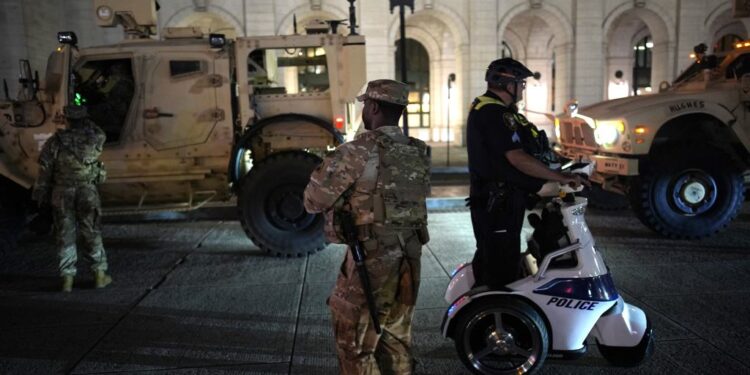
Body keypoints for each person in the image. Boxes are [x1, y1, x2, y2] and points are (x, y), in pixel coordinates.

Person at [303, 79, 430, 374]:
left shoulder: (356, 151)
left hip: (371, 260)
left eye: (365, 105)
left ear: (373, 107)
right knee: (396, 339)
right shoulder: (418, 151)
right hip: (410, 257)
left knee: (355, 344)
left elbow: (313, 200)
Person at [466, 58, 587, 290]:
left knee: (494, 257)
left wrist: (557, 168)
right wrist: (560, 178)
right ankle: (493, 317)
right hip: (497, 204)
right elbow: (517, 157)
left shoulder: (494, 109)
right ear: (507, 84)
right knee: (500, 267)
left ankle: (488, 309)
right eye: (521, 83)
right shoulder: (494, 112)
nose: (523, 87)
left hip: (499, 200)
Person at [32, 105, 112, 292]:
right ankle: (99, 275)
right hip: (87, 191)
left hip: (62, 192)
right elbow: (101, 132)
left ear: (66, 119)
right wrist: (86, 119)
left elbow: (45, 169)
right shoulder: (94, 138)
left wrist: (40, 193)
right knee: (91, 231)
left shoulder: (55, 141)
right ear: (84, 119)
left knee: (65, 234)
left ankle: (67, 279)